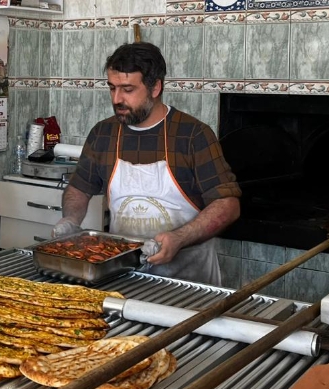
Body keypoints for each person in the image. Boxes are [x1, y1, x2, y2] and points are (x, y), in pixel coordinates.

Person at [52, 43, 241, 286]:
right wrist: (71, 219)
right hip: (123, 277)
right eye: (112, 88)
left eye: (127, 89)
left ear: (155, 88)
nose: (117, 99)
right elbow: (79, 188)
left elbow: (228, 204)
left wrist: (179, 238)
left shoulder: (193, 135)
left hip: (187, 283)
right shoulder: (103, 133)